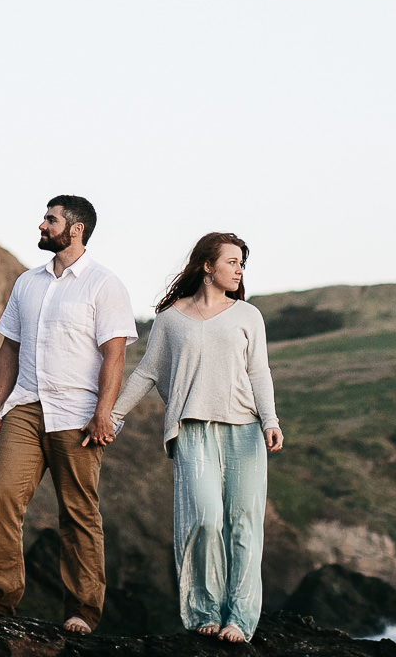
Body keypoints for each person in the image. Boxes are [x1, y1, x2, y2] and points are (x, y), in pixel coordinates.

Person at [0, 195, 137, 634]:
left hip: (77, 413)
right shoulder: (27, 282)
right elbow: (10, 346)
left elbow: (114, 355)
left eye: (51, 219)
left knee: (78, 511)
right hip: (25, 406)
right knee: (2, 495)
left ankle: (82, 610)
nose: (42, 226)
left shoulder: (104, 284)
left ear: (76, 228)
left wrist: (105, 413)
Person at [111, 232, 283, 644]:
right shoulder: (172, 317)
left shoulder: (247, 315)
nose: (240, 269)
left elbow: (259, 371)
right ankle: (205, 608)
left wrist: (270, 420)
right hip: (191, 430)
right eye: (232, 262)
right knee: (205, 520)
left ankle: (239, 619)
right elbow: (147, 372)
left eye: (242, 263)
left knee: (243, 525)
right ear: (207, 266)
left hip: (245, 431)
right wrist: (112, 417)